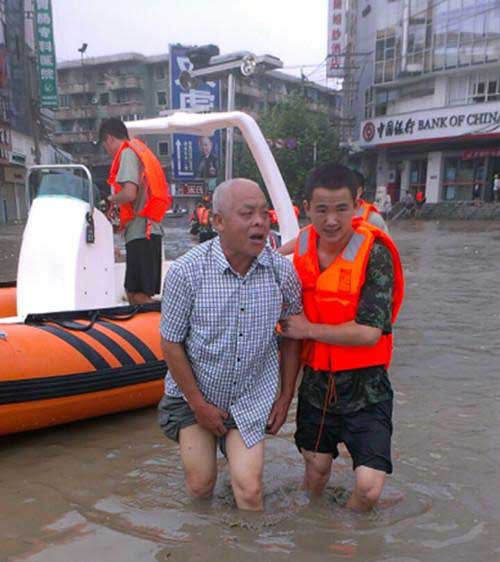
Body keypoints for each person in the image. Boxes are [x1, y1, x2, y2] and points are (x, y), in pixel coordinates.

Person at [158, 178, 302, 511]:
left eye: (264, 214)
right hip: (195, 396)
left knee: (250, 491)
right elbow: (171, 343)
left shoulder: (282, 273)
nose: (259, 222)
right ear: (218, 222)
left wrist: (285, 397)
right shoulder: (186, 272)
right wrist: (198, 404)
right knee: (200, 484)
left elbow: (292, 334)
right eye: (247, 213)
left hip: (251, 396)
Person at [281, 163, 404, 512]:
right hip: (317, 383)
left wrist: (309, 330)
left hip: (366, 387)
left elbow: (368, 333)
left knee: (367, 488)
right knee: (315, 473)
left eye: (341, 209)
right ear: (307, 208)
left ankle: (347, 533)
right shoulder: (300, 246)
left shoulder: (375, 253)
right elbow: (288, 334)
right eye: (321, 210)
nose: (331, 220)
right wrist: (285, 395)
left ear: (357, 205)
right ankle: (312, 532)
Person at [98, 118, 171, 305]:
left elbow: (129, 193)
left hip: (142, 233)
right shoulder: (139, 151)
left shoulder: (128, 153)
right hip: (146, 231)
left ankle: (167, 323)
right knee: (133, 293)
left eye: (104, 145)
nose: (106, 151)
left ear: (110, 138)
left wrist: (109, 200)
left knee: (138, 295)